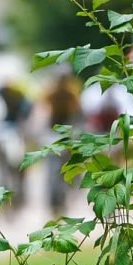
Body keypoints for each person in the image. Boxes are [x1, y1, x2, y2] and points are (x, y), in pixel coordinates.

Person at [43, 73, 82, 216]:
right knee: (62, 168)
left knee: (58, 168)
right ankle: (59, 196)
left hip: (60, 133)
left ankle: (60, 196)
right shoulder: (70, 94)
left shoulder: (53, 93)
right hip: (58, 133)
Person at [0, 80, 31, 209]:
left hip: (16, 129)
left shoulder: (17, 94)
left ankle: (20, 194)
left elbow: (27, 109)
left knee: (19, 164)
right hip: (9, 129)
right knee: (3, 163)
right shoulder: (2, 92)